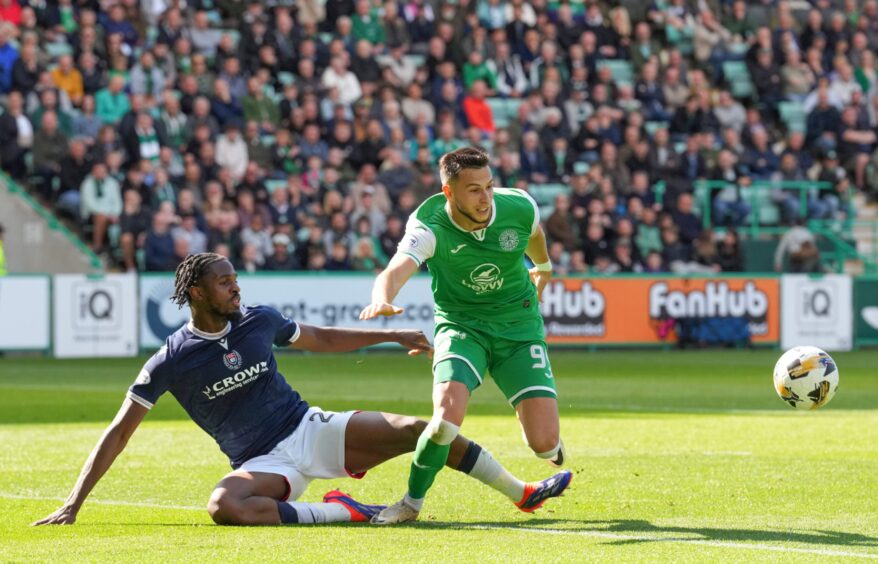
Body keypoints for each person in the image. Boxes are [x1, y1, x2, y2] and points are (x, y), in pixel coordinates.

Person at [33, 253, 569, 527]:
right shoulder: (172, 359)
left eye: (236, 279)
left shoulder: (258, 318)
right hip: (262, 461)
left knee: (425, 430)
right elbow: (118, 432)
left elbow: (321, 337)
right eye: (224, 282)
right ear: (196, 292)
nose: (236, 287)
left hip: (308, 430)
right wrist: (73, 503)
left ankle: (520, 493)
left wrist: (392, 335)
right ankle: (348, 512)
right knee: (225, 505)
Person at [360, 147, 571, 525]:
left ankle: (550, 447)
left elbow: (535, 234)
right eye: (474, 190)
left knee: (543, 445)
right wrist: (382, 299)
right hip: (461, 326)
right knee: (444, 420)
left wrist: (544, 266)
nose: (485, 197)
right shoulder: (428, 225)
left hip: (519, 327)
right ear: (449, 193)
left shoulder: (518, 205)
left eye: (489, 186)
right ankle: (411, 503)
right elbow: (394, 271)